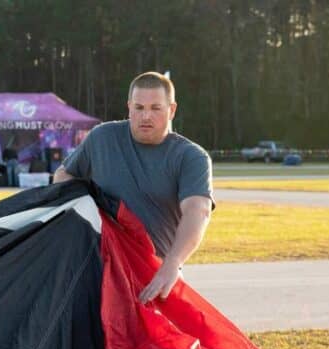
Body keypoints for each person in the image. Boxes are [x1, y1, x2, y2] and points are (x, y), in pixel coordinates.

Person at [54, 71, 214, 305]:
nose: (145, 116)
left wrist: (172, 264)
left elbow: (197, 211)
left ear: (172, 110)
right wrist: (87, 203)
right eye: (138, 108)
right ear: (129, 107)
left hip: (155, 277)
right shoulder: (102, 138)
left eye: (156, 108)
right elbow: (62, 176)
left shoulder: (191, 157)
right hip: (98, 273)